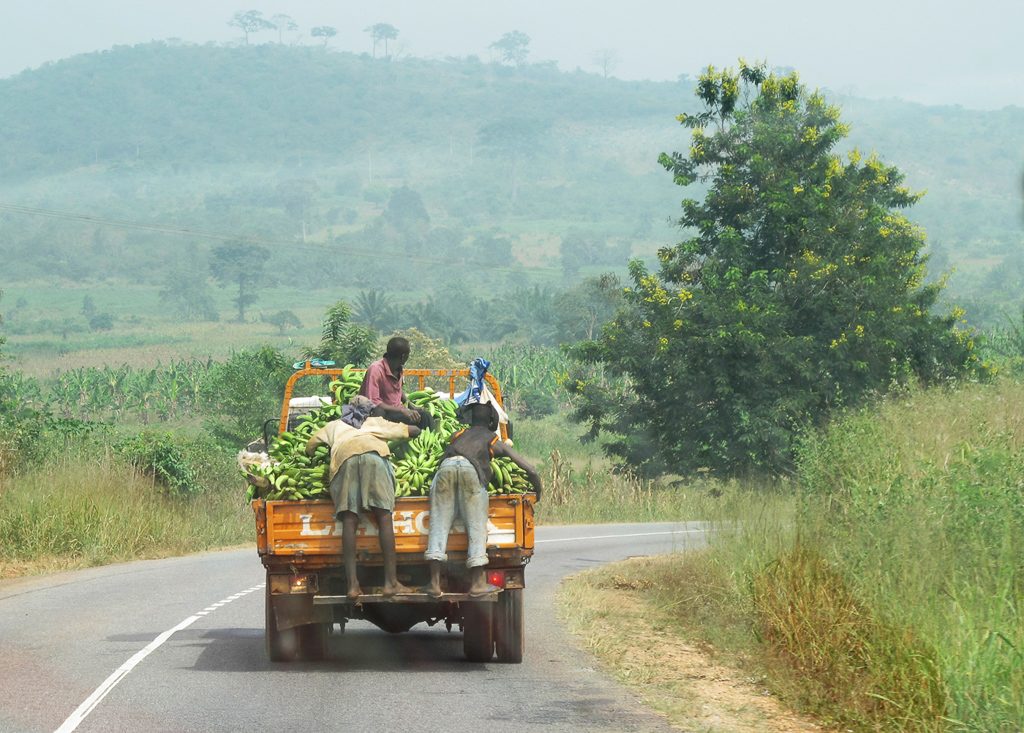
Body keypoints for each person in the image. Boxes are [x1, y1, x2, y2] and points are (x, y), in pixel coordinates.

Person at [305, 396, 421, 599]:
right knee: (384, 517)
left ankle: (352, 585)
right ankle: (390, 583)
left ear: (347, 410)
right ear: (369, 411)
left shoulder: (334, 425)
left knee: (349, 519)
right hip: (374, 459)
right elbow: (413, 431)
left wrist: (320, 451)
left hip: (344, 461)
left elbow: (310, 445)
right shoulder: (375, 422)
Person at [424, 400, 542, 598]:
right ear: (491, 422)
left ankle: (434, 584)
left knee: (438, 524)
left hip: (445, 468)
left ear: (471, 420)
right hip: (471, 472)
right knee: (476, 526)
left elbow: (448, 450)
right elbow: (529, 468)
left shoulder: (458, 435)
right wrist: (538, 489)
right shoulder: (492, 439)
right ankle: (477, 583)